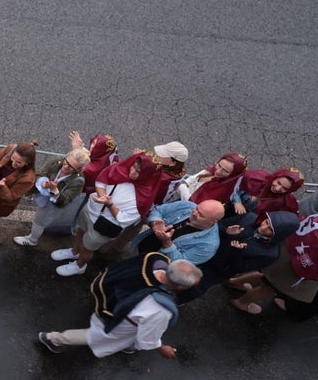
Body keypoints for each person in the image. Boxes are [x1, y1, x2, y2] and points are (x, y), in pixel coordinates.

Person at [37, 253, 201, 358]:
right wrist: (161, 348)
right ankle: (53, 339)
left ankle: (127, 345)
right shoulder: (161, 309)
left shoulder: (154, 259)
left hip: (110, 298)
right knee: (93, 336)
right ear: (179, 287)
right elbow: (148, 337)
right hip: (119, 319)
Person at [230, 209, 318, 316]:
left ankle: (234, 282)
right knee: (268, 289)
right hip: (292, 270)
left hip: (286, 254)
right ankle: (241, 302)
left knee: (265, 278)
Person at [52, 153, 158, 277]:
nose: (133, 172)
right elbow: (101, 181)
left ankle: (80, 265)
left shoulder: (145, 196)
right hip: (91, 209)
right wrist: (103, 196)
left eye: (138, 171)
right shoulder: (121, 169)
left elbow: (124, 219)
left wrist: (109, 204)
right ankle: (74, 252)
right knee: (79, 231)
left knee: (88, 248)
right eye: (133, 166)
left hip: (105, 224)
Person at [177, 210, 300, 305]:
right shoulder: (249, 218)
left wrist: (236, 252)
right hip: (203, 254)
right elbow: (216, 226)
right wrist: (227, 232)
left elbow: (239, 268)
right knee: (178, 271)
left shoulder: (270, 254)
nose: (263, 227)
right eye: (266, 222)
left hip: (216, 271)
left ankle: (177, 300)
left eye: (270, 230)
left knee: (194, 289)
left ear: (278, 235)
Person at [13, 147, 90, 247]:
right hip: (43, 196)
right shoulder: (56, 161)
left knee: (39, 221)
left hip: (52, 203)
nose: (65, 167)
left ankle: (32, 240)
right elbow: (41, 174)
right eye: (66, 162)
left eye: (71, 167)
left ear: (79, 169)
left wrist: (55, 191)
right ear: (67, 156)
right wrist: (44, 184)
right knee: (39, 219)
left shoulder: (79, 181)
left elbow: (64, 201)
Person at [130, 199, 225, 265]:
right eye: (197, 209)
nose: (194, 213)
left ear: (214, 221)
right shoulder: (188, 206)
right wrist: (155, 222)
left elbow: (180, 263)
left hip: (152, 264)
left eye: (201, 215)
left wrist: (167, 243)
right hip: (138, 243)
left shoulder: (208, 246)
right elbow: (158, 210)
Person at [178, 153, 247, 205]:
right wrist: (184, 184)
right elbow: (193, 178)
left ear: (232, 175)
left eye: (225, 171)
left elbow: (192, 205)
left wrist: (182, 186)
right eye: (219, 165)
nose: (218, 171)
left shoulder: (221, 191)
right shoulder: (213, 169)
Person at [231, 167, 305, 216]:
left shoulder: (286, 203)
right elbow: (232, 185)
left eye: (285, 189)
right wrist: (237, 201)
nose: (278, 189)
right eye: (278, 183)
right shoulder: (255, 177)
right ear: (275, 177)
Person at [150, 141, 189, 205]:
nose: (159, 155)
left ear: (173, 163)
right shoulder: (180, 170)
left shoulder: (161, 179)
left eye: (164, 156)